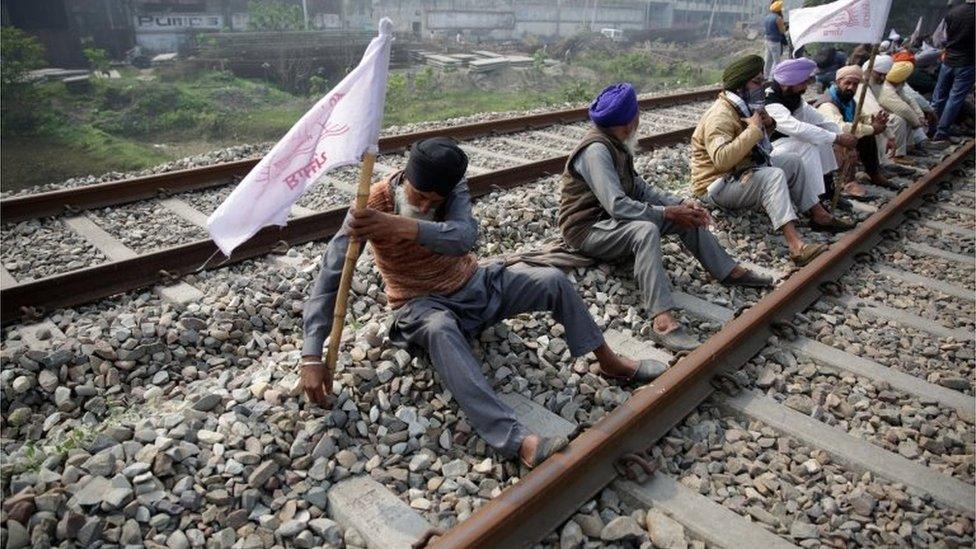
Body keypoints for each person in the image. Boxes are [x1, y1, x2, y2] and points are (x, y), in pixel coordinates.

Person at [301, 138, 665, 467]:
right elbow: (330, 277)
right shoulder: (372, 203)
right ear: (405, 180)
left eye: (434, 202)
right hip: (421, 305)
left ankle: (609, 361)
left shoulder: (453, 188)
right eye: (418, 196)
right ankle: (516, 440)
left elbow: (463, 237)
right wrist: (312, 355)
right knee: (440, 330)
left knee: (552, 279)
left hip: (475, 284)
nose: (425, 204)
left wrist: (401, 227)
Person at [558, 83, 772, 352]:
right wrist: (666, 212)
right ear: (628, 122)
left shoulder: (616, 144)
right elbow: (617, 205)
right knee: (645, 230)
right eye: (637, 114)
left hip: (612, 223)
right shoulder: (597, 151)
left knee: (687, 217)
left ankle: (727, 270)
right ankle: (661, 319)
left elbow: (639, 189)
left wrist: (681, 204)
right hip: (588, 229)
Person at [691, 55, 846, 266]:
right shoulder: (721, 114)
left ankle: (818, 213)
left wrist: (768, 123)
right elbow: (721, 160)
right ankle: (795, 245)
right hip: (716, 184)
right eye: (756, 82)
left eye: (762, 81)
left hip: (740, 172)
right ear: (740, 85)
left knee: (792, 161)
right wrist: (754, 129)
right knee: (774, 175)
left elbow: (759, 145)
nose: (761, 87)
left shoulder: (744, 107)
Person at [763, 57, 860, 217]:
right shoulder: (770, 102)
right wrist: (836, 138)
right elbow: (797, 128)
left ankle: (828, 190)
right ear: (787, 83)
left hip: (786, 144)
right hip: (770, 151)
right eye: (802, 83)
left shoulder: (793, 98)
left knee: (820, 138)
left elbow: (819, 119)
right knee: (808, 143)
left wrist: (842, 136)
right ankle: (812, 202)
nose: (805, 87)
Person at [814, 65, 893, 195]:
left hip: (837, 139)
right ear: (838, 82)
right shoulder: (827, 104)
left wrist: (872, 121)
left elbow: (859, 118)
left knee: (867, 136)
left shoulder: (849, 101)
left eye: (855, 84)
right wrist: (872, 128)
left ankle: (873, 173)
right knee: (848, 139)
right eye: (847, 83)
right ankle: (847, 182)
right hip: (827, 143)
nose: (851, 87)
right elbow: (840, 127)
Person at [931, 0, 975, 142]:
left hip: (948, 60)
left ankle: (930, 127)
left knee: (939, 96)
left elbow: (938, 39)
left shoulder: (953, 12)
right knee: (955, 98)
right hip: (967, 62)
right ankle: (942, 131)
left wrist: (949, 46)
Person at [763, 1, 789, 78]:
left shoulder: (767, 17)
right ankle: (775, 77)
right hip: (775, 42)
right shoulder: (778, 18)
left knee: (767, 60)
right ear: (779, 10)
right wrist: (786, 27)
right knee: (776, 60)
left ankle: (765, 76)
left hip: (767, 40)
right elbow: (782, 31)